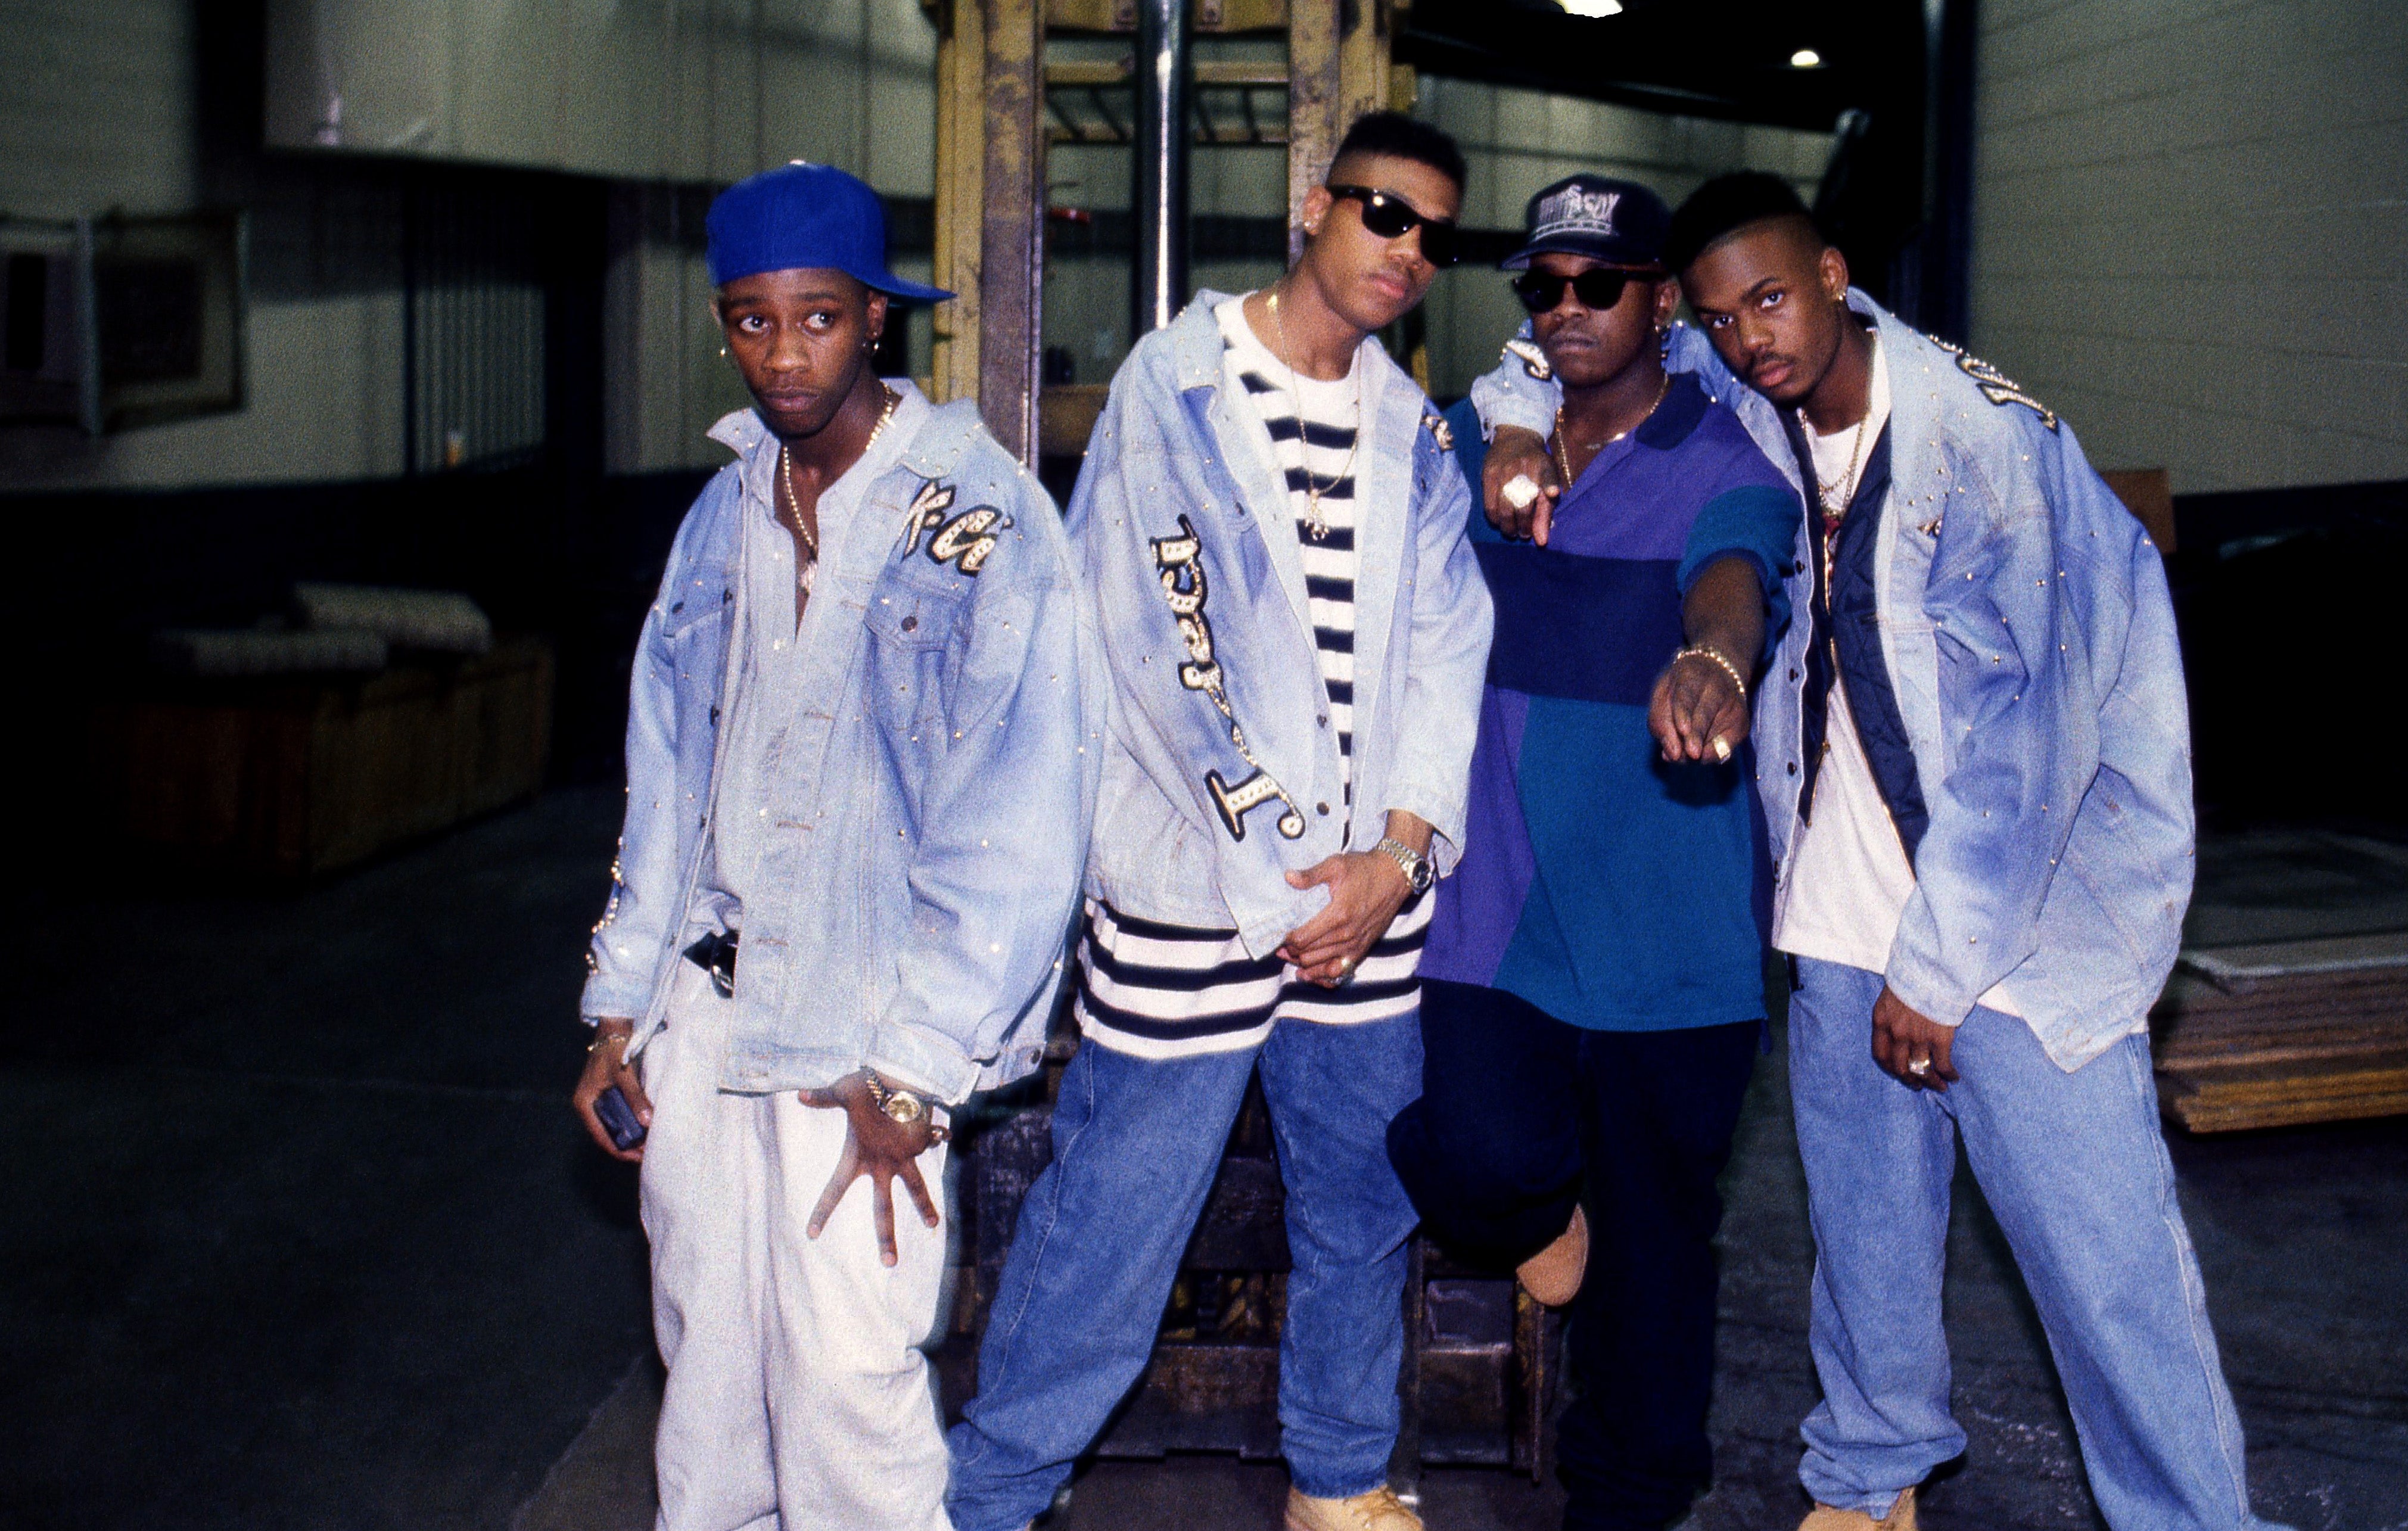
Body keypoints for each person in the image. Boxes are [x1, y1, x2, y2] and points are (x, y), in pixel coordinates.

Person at [1469, 172, 2286, 1531]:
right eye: (1721, 318)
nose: (1748, 339)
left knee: (2104, 1270)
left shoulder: (1986, 455)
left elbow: (2037, 753)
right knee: (1863, 1243)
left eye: (1772, 299)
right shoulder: (1746, 392)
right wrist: (1507, 422)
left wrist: (1942, 964)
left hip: (2019, 935)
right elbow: (1560, 341)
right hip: (1840, 911)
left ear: (1835, 272)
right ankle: (1867, 1478)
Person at [945, 112, 1492, 1531]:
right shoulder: (1174, 389)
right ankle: (990, 1497)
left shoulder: (1410, 430)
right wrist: (1289, 891)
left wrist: (1397, 853)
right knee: (1107, 1231)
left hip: (1366, 903)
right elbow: (1165, 653)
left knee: (1360, 1213)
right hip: (1199, 896)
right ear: (1314, 204)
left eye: (1434, 232)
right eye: (1383, 213)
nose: (1405, 251)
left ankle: (1337, 1479)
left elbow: (1447, 643)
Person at [568, 160, 1096, 1531]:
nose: (783, 352)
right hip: (707, 1014)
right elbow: (663, 778)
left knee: (848, 1383)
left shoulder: (979, 525)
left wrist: (919, 1068)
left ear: (876, 317)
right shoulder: (720, 516)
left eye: (814, 316)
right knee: (710, 1372)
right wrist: (622, 1006)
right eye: (751, 319)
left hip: (864, 1022)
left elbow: (1022, 826)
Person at [1386, 175, 1802, 1531]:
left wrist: (1711, 655)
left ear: (1661, 301)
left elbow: (1736, 569)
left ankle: (1624, 1501)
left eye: (1598, 285)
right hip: (1493, 912)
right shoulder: (1474, 442)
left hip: (1666, 932)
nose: (1566, 310)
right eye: (1541, 287)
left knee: (1659, 1254)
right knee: (1476, 1158)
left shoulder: (1724, 462)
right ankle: (1536, 1219)